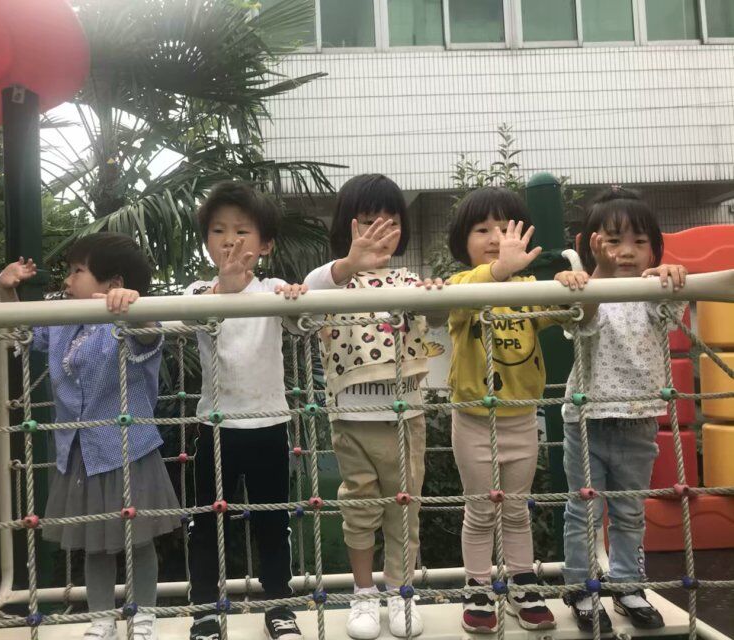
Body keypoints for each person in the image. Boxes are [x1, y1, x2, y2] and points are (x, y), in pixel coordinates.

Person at [0, 232, 181, 640]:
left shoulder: (128, 320)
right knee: (94, 544)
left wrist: (131, 305)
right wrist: (5, 290)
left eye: (77, 271)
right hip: (78, 452)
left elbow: (149, 332)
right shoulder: (63, 321)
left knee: (138, 542)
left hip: (127, 450)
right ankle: (101, 620)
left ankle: (144, 616)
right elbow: (19, 333)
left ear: (113, 283)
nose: (67, 280)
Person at [422, 187, 579, 633]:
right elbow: (453, 303)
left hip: (522, 419)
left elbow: (568, 311)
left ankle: (522, 582)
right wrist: (498, 270)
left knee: (515, 509)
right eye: (482, 229)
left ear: (524, 237)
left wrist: (570, 281)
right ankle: (477, 586)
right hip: (474, 419)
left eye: (504, 228)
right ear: (463, 241)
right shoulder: (460, 285)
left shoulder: (529, 290)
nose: (495, 238)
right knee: (479, 509)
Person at [303, 174, 429, 639]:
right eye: (369, 221)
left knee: (404, 508)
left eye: (391, 221)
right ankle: (363, 592)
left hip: (405, 415)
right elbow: (305, 309)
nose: (380, 231)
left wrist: (437, 292)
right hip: (352, 416)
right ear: (347, 226)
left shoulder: (408, 279)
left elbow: (438, 312)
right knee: (358, 508)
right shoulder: (334, 280)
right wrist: (348, 264)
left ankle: (400, 592)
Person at [560, 187, 687, 633]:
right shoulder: (586, 288)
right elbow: (583, 319)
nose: (627, 251)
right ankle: (581, 589)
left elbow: (672, 309)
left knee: (630, 511)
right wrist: (595, 272)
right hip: (587, 421)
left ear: (655, 247)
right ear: (592, 246)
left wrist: (672, 273)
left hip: (639, 421)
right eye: (613, 241)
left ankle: (628, 585)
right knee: (584, 511)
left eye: (639, 241)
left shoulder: (652, 292)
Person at [184, 182, 307, 640]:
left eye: (242, 231)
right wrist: (226, 291)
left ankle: (278, 606)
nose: (230, 240)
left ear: (266, 244)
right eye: (218, 231)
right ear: (206, 241)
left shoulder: (274, 289)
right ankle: (205, 613)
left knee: (273, 521)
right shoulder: (199, 290)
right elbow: (191, 316)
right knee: (206, 523)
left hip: (269, 424)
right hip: (215, 427)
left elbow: (303, 321)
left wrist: (298, 296)